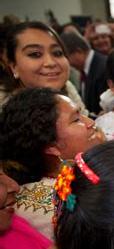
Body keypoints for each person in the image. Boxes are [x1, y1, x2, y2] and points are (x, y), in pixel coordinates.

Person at [0, 88, 104, 240]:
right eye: (76, 120)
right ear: (51, 147)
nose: (91, 123)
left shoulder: (79, 180)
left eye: (83, 115)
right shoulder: (54, 201)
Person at [2, 21, 85, 112]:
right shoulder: (4, 109)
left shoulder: (68, 88)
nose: (50, 63)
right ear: (14, 66)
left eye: (57, 53)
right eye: (35, 54)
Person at [60, 31, 108, 114]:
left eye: (66, 58)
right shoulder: (86, 70)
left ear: (78, 52)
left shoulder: (103, 69)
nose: (67, 64)